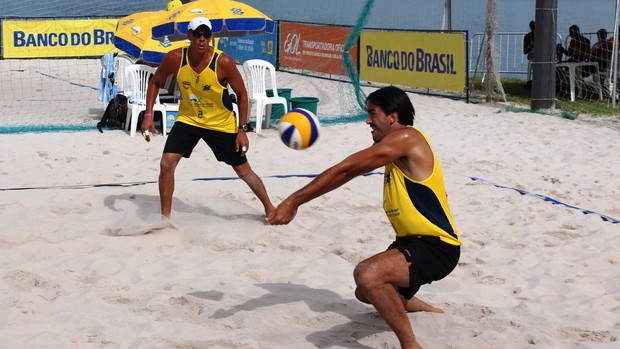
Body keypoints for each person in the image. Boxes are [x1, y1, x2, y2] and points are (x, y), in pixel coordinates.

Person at [267, 86, 461, 349]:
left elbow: (347, 169)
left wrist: (294, 200)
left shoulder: (407, 138)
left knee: (367, 275)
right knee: (365, 292)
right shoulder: (394, 143)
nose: (367, 120)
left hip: (437, 245)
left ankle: (410, 345)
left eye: (372, 113)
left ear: (393, 117)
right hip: (410, 243)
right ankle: (416, 305)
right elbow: (350, 168)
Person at [141, 17, 275, 220]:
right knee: (166, 164)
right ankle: (165, 220)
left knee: (243, 170)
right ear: (189, 36)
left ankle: (270, 209)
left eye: (206, 35)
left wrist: (242, 130)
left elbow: (242, 95)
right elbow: (155, 82)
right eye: (197, 34)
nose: (202, 39)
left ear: (211, 37)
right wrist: (148, 115)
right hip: (189, 119)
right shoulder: (175, 58)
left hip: (220, 123)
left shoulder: (224, 62)